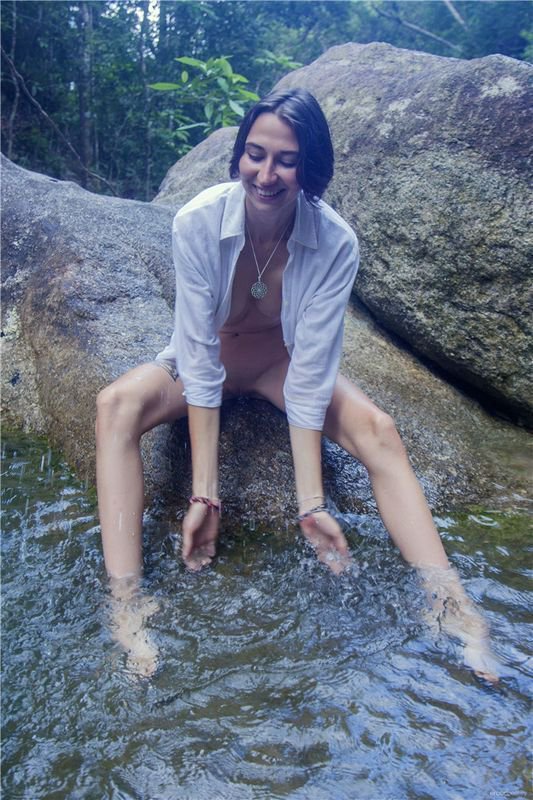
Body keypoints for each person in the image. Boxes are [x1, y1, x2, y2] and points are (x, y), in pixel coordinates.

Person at [96, 88, 499, 681]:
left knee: (379, 430)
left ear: (310, 168)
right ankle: (127, 608)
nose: (266, 174)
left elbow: (311, 371)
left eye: (286, 160)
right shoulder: (197, 221)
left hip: (280, 366)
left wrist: (311, 504)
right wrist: (205, 495)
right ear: (239, 155)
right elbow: (199, 357)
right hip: (207, 359)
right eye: (255, 155)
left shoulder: (336, 242)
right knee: (115, 406)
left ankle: (452, 605)